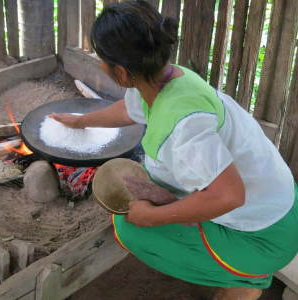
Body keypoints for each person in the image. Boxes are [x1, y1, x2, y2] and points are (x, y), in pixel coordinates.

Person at [50, 1, 298, 299]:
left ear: (121, 72)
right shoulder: (169, 78)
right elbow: (129, 110)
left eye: (102, 60)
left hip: (265, 235)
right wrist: (80, 123)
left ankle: (246, 280)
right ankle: (243, 274)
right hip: (278, 199)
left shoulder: (184, 129)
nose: (101, 65)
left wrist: (152, 217)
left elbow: (230, 196)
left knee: (130, 229)